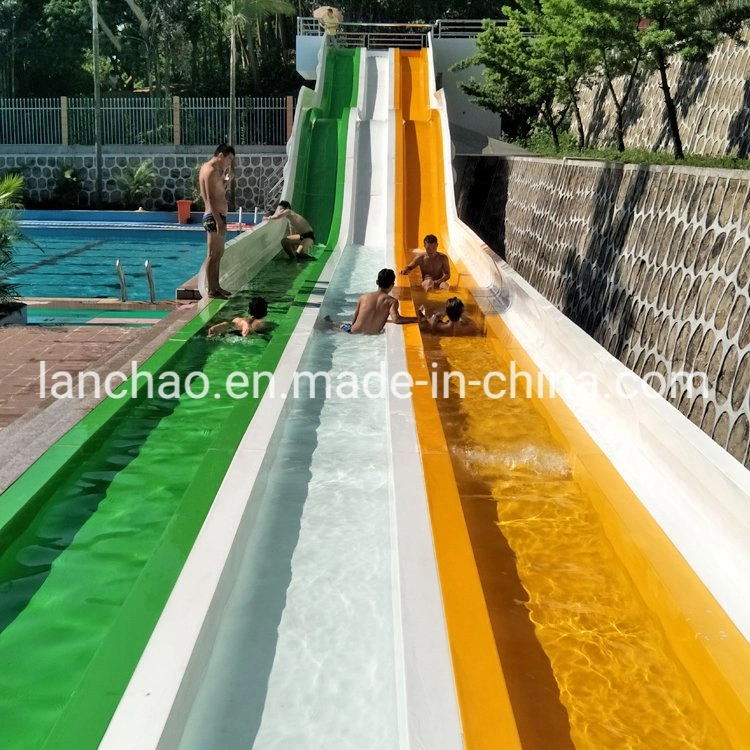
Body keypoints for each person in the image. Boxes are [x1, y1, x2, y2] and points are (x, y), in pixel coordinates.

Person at [326, 268, 417, 334]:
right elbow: (396, 319)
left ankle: (328, 322)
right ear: (392, 284)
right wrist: (416, 319)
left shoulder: (363, 297)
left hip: (353, 332)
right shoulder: (391, 302)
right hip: (372, 336)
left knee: (339, 324)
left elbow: (354, 320)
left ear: (377, 282)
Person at [199, 144, 235, 299]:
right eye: (229, 159)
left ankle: (216, 286)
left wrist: (226, 181)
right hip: (214, 217)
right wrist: (218, 220)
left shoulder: (215, 171)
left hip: (218, 216)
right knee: (212, 254)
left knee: (219, 253)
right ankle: (211, 290)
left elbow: (219, 193)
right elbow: (210, 198)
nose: (229, 163)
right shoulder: (210, 170)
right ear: (221, 155)